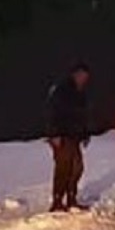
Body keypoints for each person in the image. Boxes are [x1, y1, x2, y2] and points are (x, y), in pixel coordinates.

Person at [45, 62, 93, 211]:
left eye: (86, 77)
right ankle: (58, 201)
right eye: (82, 76)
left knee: (77, 167)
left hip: (74, 136)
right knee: (63, 167)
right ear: (75, 74)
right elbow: (53, 113)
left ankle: (71, 197)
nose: (84, 79)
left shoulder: (80, 93)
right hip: (62, 135)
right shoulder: (62, 90)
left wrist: (85, 133)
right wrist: (54, 134)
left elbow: (82, 115)